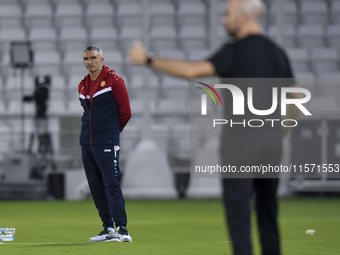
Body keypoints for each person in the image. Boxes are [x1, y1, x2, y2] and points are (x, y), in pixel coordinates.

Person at [129, 0, 302, 254]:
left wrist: (148, 59)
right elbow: (296, 98)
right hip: (271, 143)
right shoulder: (277, 52)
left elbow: (191, 71)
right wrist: (282, 132)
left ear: (243, 17)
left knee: (239, 217)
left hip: (239, 145)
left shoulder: (234, 51)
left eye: (227, 14)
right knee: (268, 215)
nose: (223, 19)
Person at [79, 45, 132, 242]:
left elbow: (125, 112)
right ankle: (108, 228)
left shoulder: (114, 81)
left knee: (111, 184)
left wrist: (111, 134)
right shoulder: (82, 84)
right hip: (87, 143)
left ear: (101, 60)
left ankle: (123, 229)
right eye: (86, 59)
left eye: (93, 58)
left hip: (106, 142)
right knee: (96, 186)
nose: (89, 62)